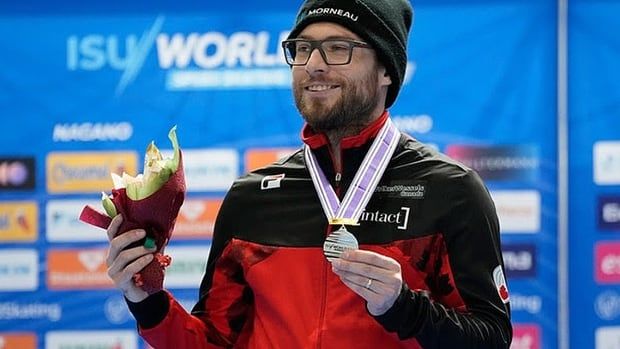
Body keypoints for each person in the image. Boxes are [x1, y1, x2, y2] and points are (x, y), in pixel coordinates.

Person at [105, 0, 513, 347]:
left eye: (338, 48)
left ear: (387, 69)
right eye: (302, 48)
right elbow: (214, 340)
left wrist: (406, 307)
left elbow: (492, 337)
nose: (313, 65)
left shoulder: (450, 190)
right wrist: (149, 301)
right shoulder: (253, 199)